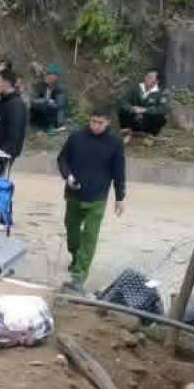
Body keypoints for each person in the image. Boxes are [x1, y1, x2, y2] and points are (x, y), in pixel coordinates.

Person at [57, 107, 127, 291]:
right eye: (93, 121)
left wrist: (120, 197)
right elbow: (62, 159)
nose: (95, 126)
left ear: (108, 123)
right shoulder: (76, 137)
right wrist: (68, 175)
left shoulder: (115, 143)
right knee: (72, 230)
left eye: (100, 123)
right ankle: (75, 256)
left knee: (90, 235)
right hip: (74, 193)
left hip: (97, 196)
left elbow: (119, 171)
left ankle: (79, 274)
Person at [0, 69, 27, 161]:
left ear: (7, 83)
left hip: (3, 154)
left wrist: (5, 154)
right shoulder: (2, 102)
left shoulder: (16, 105)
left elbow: (14, 133)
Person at [119, 69, 168, 139]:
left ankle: (151, 135)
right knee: (122, 110)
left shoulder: (162, 92)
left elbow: (163, 109)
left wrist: (145, 110)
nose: (146, 79)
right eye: (146, 76)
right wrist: (131, 108)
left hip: (147, 120)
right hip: (133, 117)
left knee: (160, 118)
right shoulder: (135, 87)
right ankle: (127, 132)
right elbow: (123, 101)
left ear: (157, 81)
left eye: (150, 77)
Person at [30, 63, 68, 132]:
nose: (46, 75)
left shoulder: (59, 90)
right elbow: (35, 99)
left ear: (55, 77)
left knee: (44, 104)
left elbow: (60, 107)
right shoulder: (44, 86)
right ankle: (34, 126)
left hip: (53, 120)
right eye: (46, 73)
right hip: (42, 118)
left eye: (48, 73)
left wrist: (60, 124)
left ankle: (51, 127)